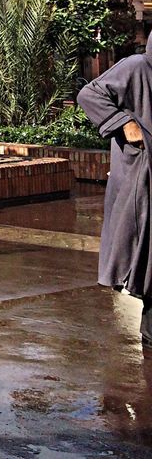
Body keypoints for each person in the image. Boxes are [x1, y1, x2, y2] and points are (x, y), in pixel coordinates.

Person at [78, 52, 152, 348]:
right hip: (143, 178)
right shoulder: (137, 67)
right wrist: (124, 124)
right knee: (146, 254)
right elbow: (90, 94)